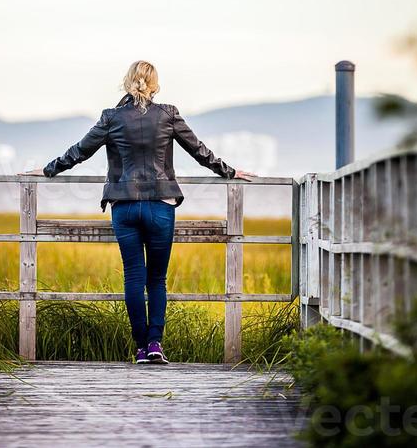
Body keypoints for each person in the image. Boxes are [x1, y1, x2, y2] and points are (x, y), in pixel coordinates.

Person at [31, 60, 255, 365]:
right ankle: (154, 345)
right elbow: (199, 151)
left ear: (127, 83)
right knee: (157, 279)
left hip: (123, 207)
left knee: (134, 277)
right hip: (160, 206)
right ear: (154, 85)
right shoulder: (168, 114)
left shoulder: (111, 118)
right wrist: (229, 171)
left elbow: (79, 151)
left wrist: (47, 170)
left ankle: (139, 349)